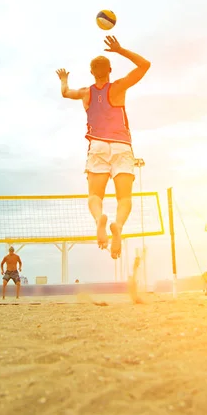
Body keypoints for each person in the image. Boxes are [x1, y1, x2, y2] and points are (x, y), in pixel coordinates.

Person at [56, 35, 151, 259]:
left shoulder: (85, 93)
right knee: (124, 198)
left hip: (97, 146)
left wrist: (63, 79)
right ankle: (117, 224)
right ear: (110, 69)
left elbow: (65, 92)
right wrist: (119, 50)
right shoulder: (118, 87)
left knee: (95, 196)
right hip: (121, 146)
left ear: (91, 73)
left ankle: (100, 219)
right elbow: (145, 65)